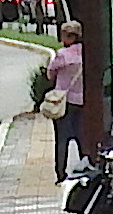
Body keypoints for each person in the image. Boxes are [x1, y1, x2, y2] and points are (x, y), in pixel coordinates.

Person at [45, 22, 87, 181]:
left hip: (63, 101)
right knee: (81, 136)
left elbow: (50, 73)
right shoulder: (85, 53)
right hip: (82, 100)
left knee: (61, 138)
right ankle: (86, 165)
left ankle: (60, 173)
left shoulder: (62, 55)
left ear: (70, 37)